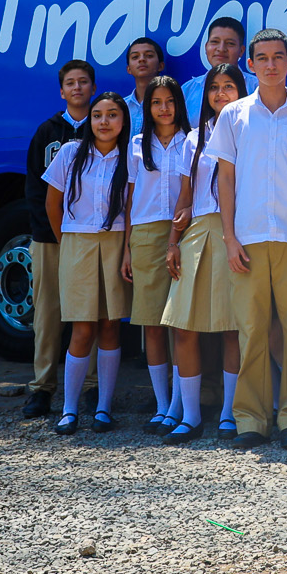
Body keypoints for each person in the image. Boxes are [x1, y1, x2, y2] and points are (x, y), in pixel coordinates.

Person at [212, 28, 287, 449]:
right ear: (251, 63)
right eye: (262, 58)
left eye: (278, 57)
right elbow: (225, 180)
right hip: (248, 237)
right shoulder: (234, 116)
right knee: (252, 330)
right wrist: (229, 237)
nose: (271, 64)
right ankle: (251, 419)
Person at [161, 62, 248, 442]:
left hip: (237, 234)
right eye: (214, 87)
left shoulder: (252, 132)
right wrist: (172, 241)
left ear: (242, 91)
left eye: (229, 86)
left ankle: (230, 412)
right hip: (196, 234)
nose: (221, 94)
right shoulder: (193, 138)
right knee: (184, 327)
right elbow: (184, 198)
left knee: (233, 329)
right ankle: (191, 416)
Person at [42, 90, 134, 435]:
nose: (104, 122)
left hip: (115, 243)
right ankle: (69, 409)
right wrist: (68, 242)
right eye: (97, 115)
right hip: (77, 243)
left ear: (123, 121)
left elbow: (132, 210)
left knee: (111, 325)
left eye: (112, 115)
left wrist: (127, 251)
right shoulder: (70, 153)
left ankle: (104, 408)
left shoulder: (131, 157)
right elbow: (52, 204)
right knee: (82, 327)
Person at [20, 61, 93, 419]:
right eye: (70, 83)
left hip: (91, 240)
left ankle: (91, 389)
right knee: (48, 315)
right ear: (62, 91)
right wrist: (51, 233)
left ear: (92, 87)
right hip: (50, 240)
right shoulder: (46, 132)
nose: (77, 87)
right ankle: (42, 388)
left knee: (89, 313)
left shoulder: (103, 127)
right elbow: (35, 190)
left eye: (83, 82)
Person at [123, 74, 190, 435]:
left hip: (182, 234)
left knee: (179, 321)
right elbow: (130, 200)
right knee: (151, 321)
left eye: (169, 101)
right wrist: (126, 250)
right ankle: (162, 405)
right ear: (147, 108)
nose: (163, 108)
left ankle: (181, 403)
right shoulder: (136, 144)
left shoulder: (190, 141)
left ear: (179, 104)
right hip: (146, 235)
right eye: (155, 102)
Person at [184, 17, 258, 125]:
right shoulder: (187, 91)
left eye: (230, 43)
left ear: (241, 51)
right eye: (215, 42)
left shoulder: (257, 88)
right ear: (206, 47)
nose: (221, 48)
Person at [123, 35, 168, 137]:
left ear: (161, 66)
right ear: (128, 69)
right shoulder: (120, 107)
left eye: (149, 55)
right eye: (135, 57)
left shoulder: (170, 105)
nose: (142, 59)